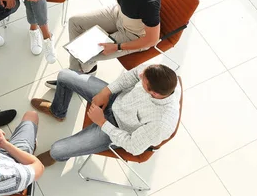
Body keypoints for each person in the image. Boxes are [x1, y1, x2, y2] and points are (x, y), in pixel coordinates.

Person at [32, 0, 160, 84]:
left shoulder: (148, 3)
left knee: (83, 51)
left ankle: (72, 78)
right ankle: (83, 71)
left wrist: (118, 47)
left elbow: (151, 40)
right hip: (119, 13)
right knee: (75, 22)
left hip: (133, 34)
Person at [30, 64, 180, 167]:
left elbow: (133, 146)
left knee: (57, 150)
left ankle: (57, 156)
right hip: (116, 99)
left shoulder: (161, 123)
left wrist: (102, 122)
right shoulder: (157, 73)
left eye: (143, 80)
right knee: (64, 75)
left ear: (154, 93)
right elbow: (132, 74)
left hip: (116, 128)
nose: (140, 75)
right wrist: (106, 92)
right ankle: (58, 111)